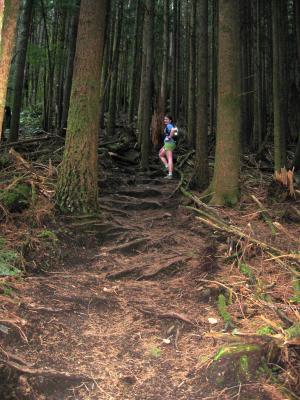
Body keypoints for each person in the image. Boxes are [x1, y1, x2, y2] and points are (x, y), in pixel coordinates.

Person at [159, 114, 176, 179]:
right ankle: (167, 166)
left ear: (170, 120)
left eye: (167, 119)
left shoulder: (169, 125)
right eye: (164, 119)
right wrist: (163, 147)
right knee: (160, 154)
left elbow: (173, 130)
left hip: (169, 143)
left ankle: (170, 174)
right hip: (168, 144)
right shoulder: (169, 125)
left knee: (169, 158)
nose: (165, 120)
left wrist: (169, 137)